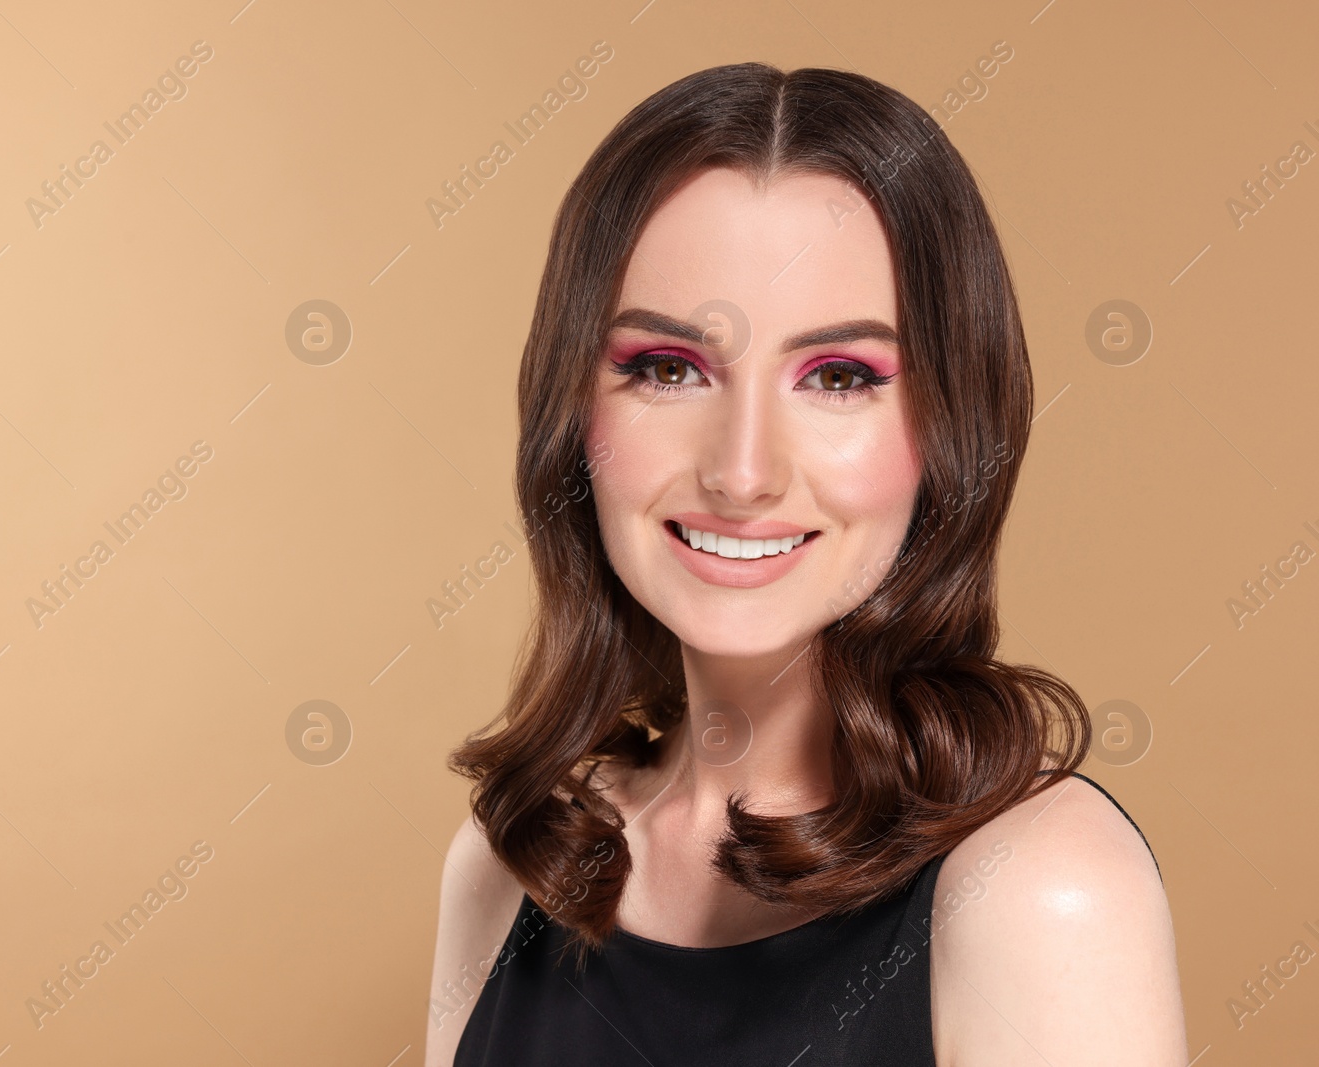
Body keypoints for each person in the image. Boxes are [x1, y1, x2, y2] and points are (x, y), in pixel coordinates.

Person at [425, 62, 1186, 1066]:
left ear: (948, 430)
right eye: (667, 368)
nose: (741, 471)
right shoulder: (508, 863)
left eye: (838, 376)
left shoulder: (1041, 891)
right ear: (574, 417)